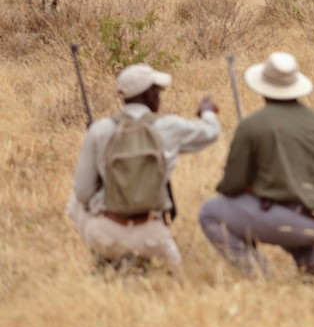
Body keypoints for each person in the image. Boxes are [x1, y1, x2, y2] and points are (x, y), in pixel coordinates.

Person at [68, 64, 221, 273]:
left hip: (106, 235)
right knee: (174, 277)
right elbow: (211, 132)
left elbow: (83, 193)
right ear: (149, 94)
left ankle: (105, 256)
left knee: (73, 201)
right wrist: (207, 112)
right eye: (157, 91)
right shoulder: (168, 127)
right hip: (153, 237)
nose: (159, 96)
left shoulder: (100, 130)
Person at [199, 52, 314, 276]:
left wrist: (251, 187)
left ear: (263, 87)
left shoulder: (253, 125)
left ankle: (261, 275)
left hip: (286, 221)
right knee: (287, 209)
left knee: (210, 212)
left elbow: (232, 185)